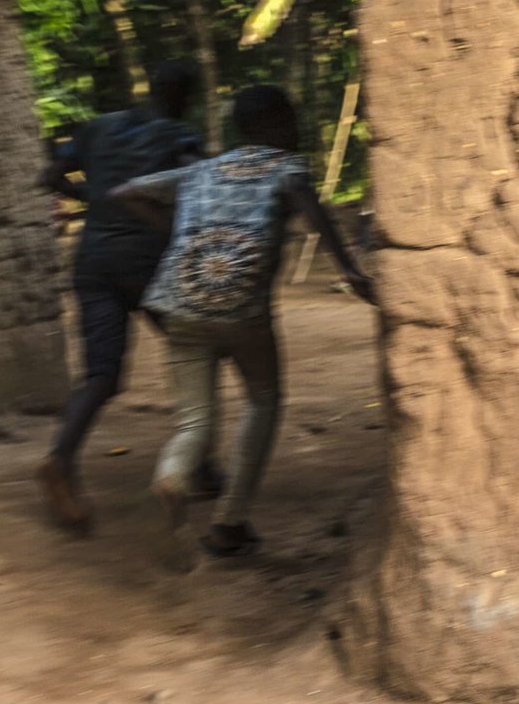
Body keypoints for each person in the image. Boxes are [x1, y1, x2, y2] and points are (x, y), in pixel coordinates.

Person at [110, 84, 375, 559]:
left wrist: (181, 233)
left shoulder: (201, 170)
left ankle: (172, 474)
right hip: (240, 310)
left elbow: (125, 192)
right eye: (290, 120)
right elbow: (316, 214)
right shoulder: (287, 168)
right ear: (272, 125)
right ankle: (229, 522)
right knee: (264, 399)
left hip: (178, 300)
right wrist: (351, 270)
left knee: (195, 417)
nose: (295, 130)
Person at [34, 61, 207, 530]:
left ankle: (60, 460)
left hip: (93, 262)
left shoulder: (97, 127)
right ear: (185, 97)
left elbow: (50, 176)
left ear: (148, 86)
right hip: (150, 264)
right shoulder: (180, 135)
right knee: (192, 353)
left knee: (100, 376)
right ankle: (201, 464)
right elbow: (195, 185)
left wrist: (93, 198)